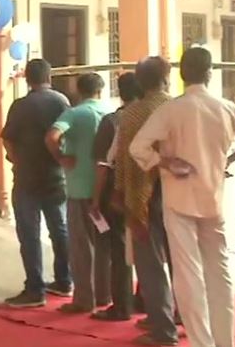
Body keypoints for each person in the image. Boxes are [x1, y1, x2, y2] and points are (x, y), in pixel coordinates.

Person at [130, 47, 235, 347]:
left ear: (182, 75)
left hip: (178, 200)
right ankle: (225, 342)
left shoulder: (171, 110)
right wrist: (232, 158)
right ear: (210, 73)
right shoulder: (225, 107)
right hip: (213, 199)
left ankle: (203, 342)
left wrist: (166, 162)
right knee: (219, 275)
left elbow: (137, 148)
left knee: (188, 276)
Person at [117, 57, 179, 346]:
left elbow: (124, 161)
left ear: (139, 82)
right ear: (166, 78)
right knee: (183, 262)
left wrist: (124, 196)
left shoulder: (131, 114)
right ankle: (187, 319)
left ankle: (164, 330)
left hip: (145, 195)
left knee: (151, 266)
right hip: (179, 191)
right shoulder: (178, 108)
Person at [2, 59, 72, 308]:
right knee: (60, 229)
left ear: (27, 79)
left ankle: (35, 289)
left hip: (28, 177)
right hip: (57, 175)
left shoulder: (21, 105)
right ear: (49, 77)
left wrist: (16, 160)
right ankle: (65, 280)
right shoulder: (62, 101)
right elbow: (67, 134)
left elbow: (7, 138)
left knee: (29, 233)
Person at [45, 73, 111, 314]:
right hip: (107, 188)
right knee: (105, 244)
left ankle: (84, 299)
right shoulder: (109, 112)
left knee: (82, 247)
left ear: (79, 91)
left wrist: (61, 157)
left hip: (81, 188)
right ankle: (105, 295)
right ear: (100, 90)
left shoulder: (74, 113)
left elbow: (52, 136)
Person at [90, 71, 142, 322]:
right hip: (148, 190)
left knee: (119, 248)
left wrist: (95, 197)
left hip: (116, 192)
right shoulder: (152, 117)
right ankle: (146, 299)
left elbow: (103, 164)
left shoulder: (112, 121)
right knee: (147, 246)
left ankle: (121, 305)